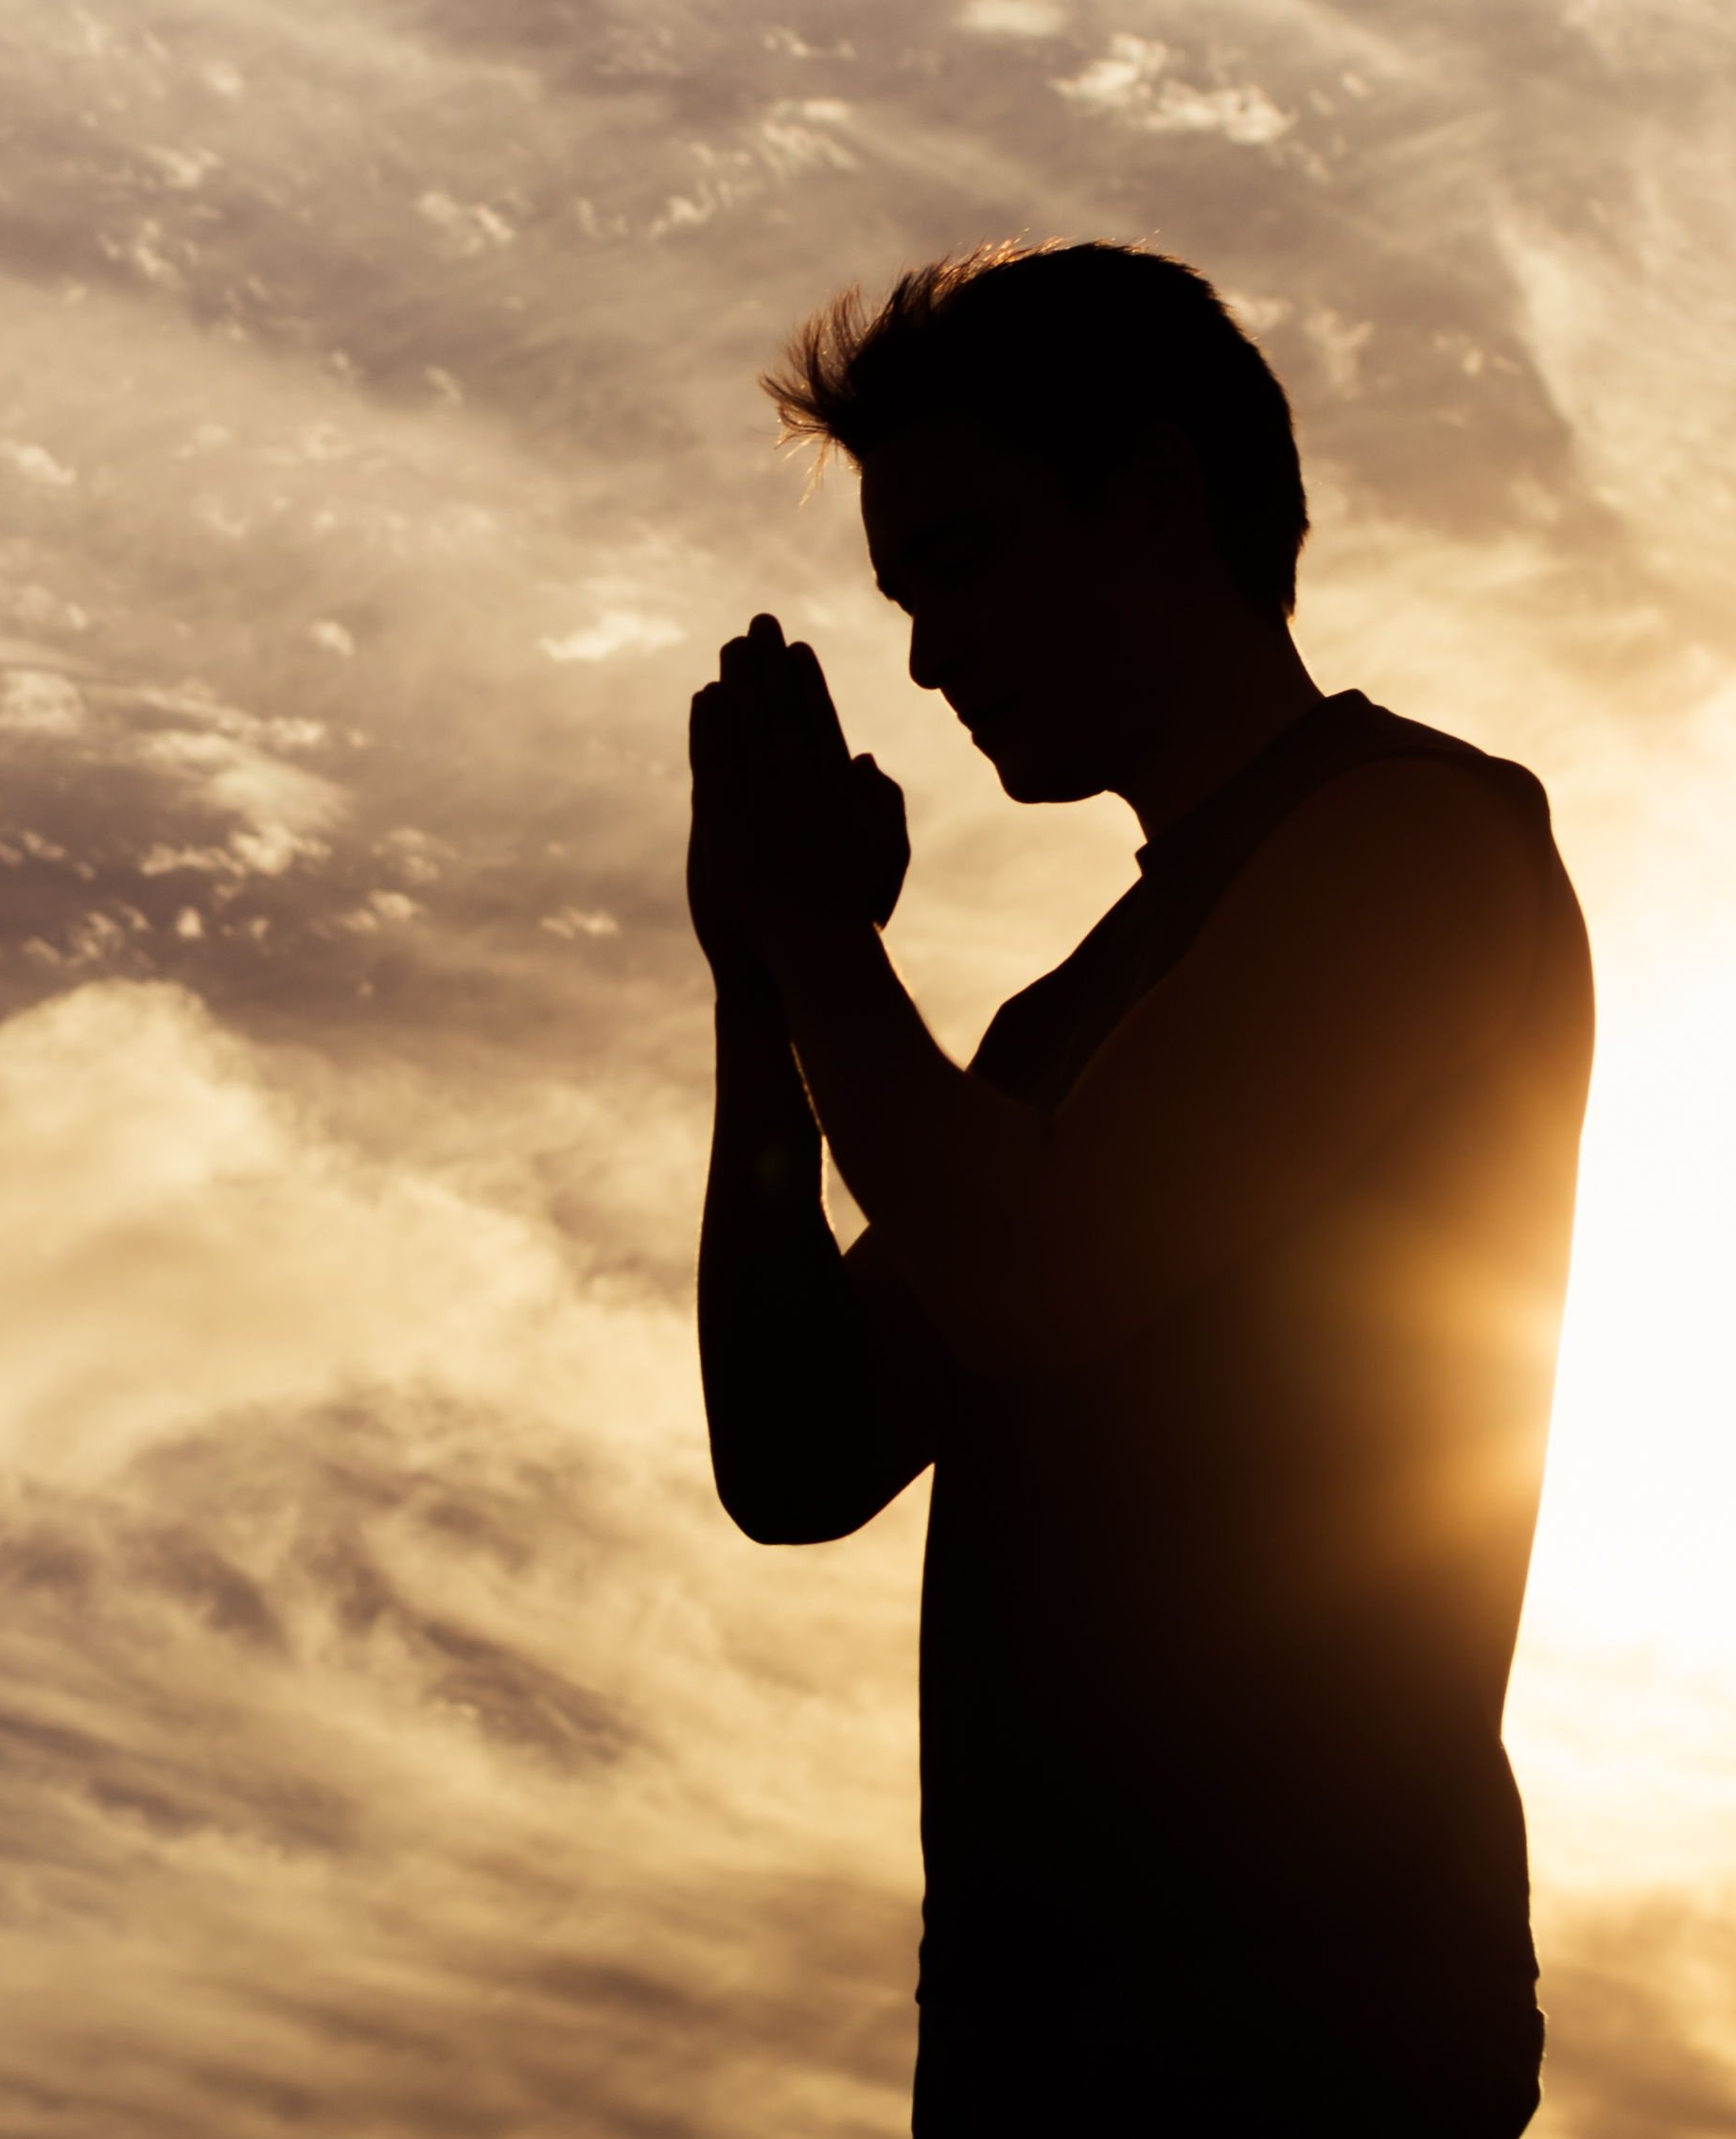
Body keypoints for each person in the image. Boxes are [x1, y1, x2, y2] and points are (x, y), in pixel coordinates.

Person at [687, 240, 1594, 2135]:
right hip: (1037, 2056)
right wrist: (760, 989)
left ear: (1163, 504)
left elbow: (1035, 1269)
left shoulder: (1420, 842)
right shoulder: (1050, 1038)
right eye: (903, 595)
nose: (928, 652)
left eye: (966, 560)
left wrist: (811, 946)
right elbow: (794, 1449)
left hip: (1312, 2032)